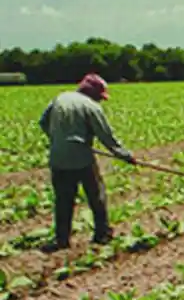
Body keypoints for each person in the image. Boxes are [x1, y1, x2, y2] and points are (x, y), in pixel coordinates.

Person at [38, 74, 135, 253]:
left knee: (63, 199)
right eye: (100, 96)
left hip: (57, 158)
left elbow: (43, 123)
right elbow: (106, 137)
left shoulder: (60, 98)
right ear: (94, 94)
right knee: (96, 194)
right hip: (81, 158)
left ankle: (62, 239)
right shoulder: (91, 107)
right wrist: (125, 155)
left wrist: (59, 139)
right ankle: (102, 234)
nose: (101, 100)